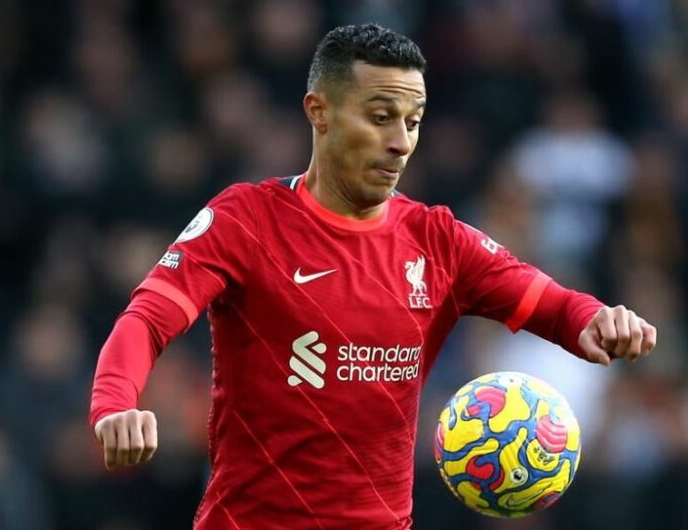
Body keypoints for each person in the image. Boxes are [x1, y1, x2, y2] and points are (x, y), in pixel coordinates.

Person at [89, 23, 657, 529]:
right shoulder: (247, 220)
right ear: (319, 112)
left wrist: (597, 321)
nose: (401, 143)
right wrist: (115, 404)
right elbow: (147, 319)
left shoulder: (436, 239)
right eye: (381, 118)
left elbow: (554, 305)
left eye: (413, 122)